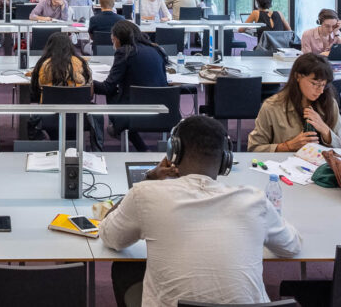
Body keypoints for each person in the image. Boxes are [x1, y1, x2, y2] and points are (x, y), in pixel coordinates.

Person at [98, 115, 302, 307]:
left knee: (124, 268)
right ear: (225, 161)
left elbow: (110, 236)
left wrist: (149, 179)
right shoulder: (255, 200)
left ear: (173, 153)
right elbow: (291, 246)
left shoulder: (146, 194)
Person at [248, 53, 341, 152]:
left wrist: (326, 131)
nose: (320, 91)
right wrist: (287, 146)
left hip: (322, 166)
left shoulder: (330, 103)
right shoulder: (272, 106)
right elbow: (254, 148)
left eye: (323, 85)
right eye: (314, 84)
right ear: (297, 76)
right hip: (285, 166)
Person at [93, 21, 168, 151]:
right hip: (164, 107)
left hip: (135, 109)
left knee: (112, 92)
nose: (113, 44)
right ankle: (136, 142)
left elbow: (107, 87)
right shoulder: (156, 49)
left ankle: (120, 127)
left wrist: (86, 80)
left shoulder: (125, 52)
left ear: (118, 38)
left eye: (112, 40)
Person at [29, 32, 92, 103]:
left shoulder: (43, 64)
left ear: (49, 47)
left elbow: (35, 92)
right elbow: (89, 91)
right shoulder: (81, 63)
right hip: (78, 110)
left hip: (49, 110)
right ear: (70, 46)